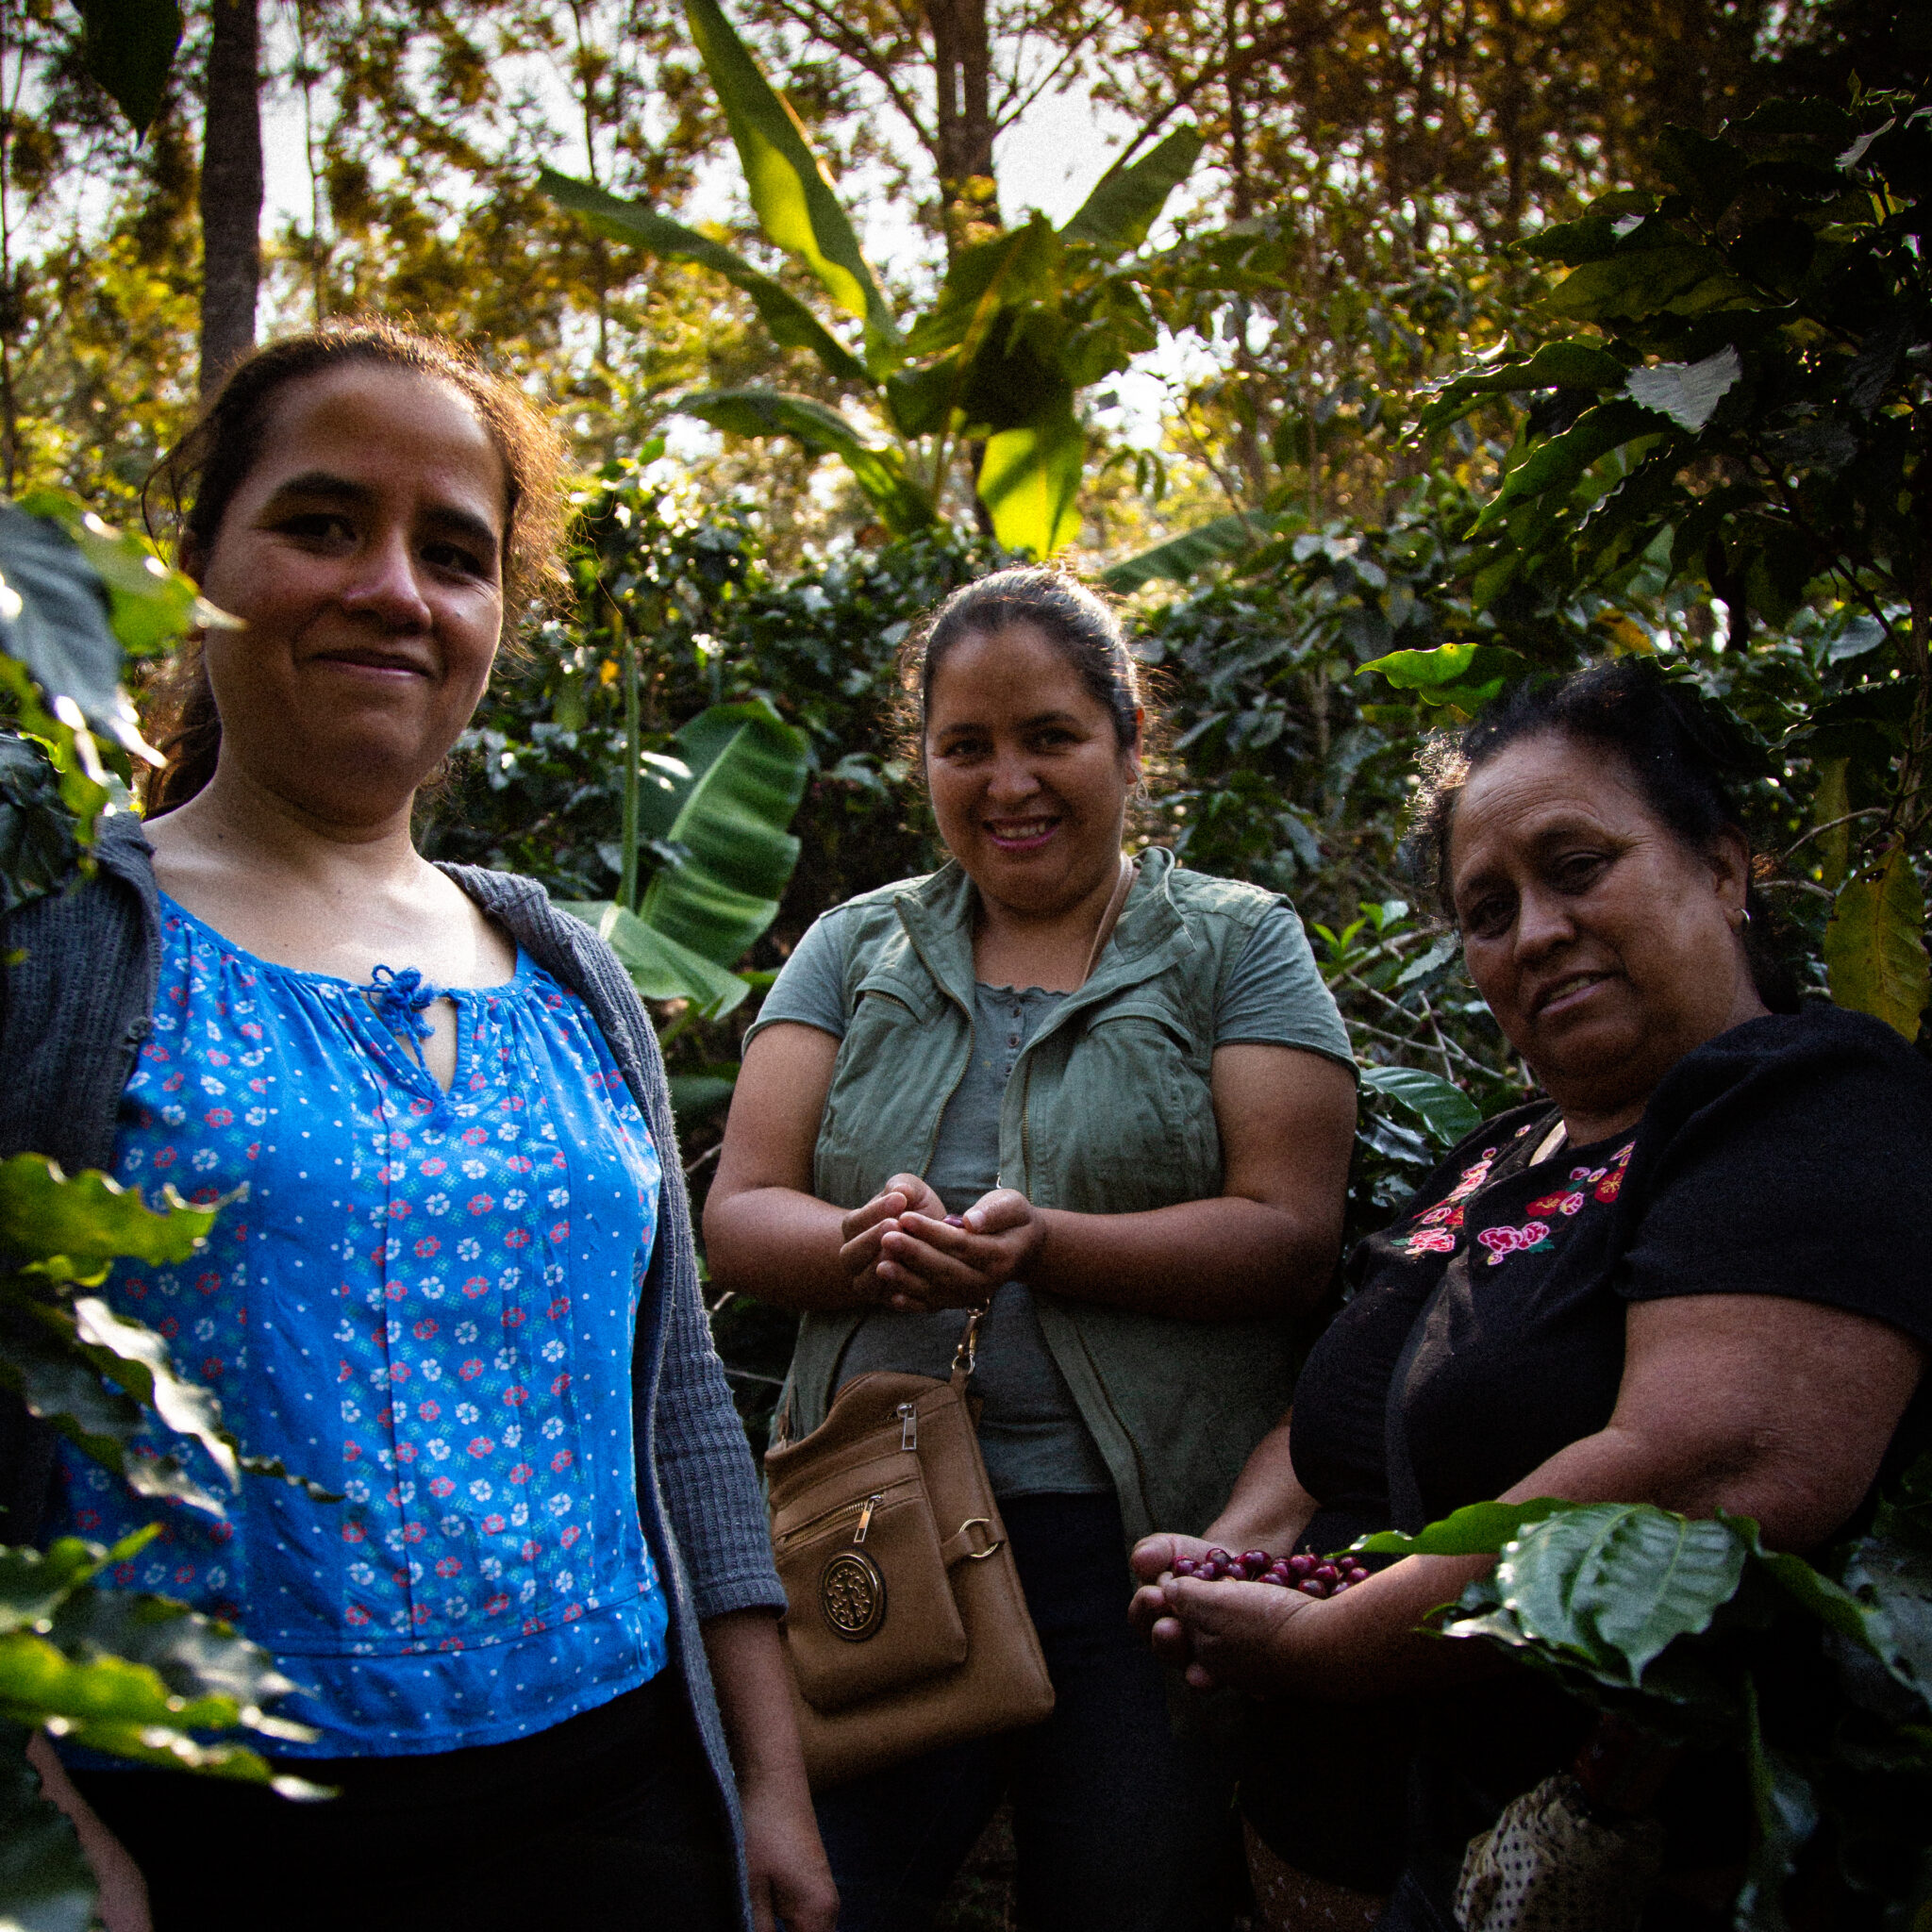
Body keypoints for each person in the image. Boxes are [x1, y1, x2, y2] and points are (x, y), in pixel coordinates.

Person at [0, 321, 838, 1932]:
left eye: (454, 553)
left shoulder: (572, 973)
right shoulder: (66, 939)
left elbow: (677, 1410)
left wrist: (774, 1788)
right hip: (197, 1837)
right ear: (198, 566)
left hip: (620, 1809)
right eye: (322, 525)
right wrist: (40, 1828)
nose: (393, 587)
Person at [1130, 661, 1932, 1929]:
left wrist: (1329, 1645)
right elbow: (1335, 1413)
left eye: (1577, 868)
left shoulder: (1804, 1099)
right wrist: (1242, 1547)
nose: (1536, 932)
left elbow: (1708, 1467)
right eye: (1488, 910)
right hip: (1361, 1846)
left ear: (1724, 868)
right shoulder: (1496, 1154)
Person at [703, 567, 1360, 1932]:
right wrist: (857, 1244)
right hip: (873, 1522)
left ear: (1128, 738)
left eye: (1051, 736)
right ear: (926, 759)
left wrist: (1045, 1245)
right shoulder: (851, 946)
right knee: (833, 1890)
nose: (1010, 781)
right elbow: (740, 1205)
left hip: (1136, 1544)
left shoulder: (1237, 945)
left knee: (1129, 1893)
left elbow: (1289, 1237)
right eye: (967, 746)